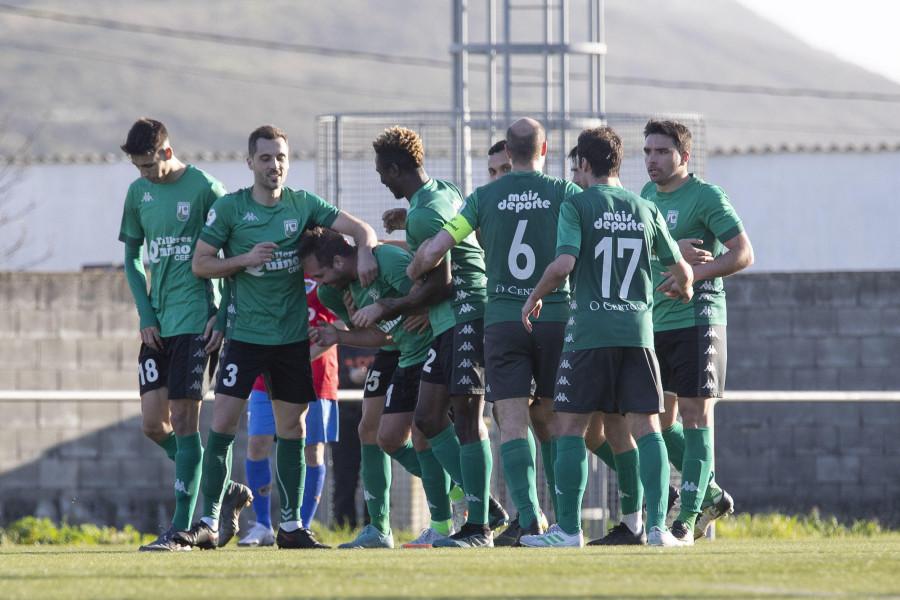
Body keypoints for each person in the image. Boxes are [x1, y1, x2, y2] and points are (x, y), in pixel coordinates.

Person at [173, 125, 378, 550]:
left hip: (289, 342)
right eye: (266, 158)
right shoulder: (231, 209)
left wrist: (367, 252)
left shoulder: (303, 205)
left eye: (281, 157)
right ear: (251, 162)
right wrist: (245, 259)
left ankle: (290, 527)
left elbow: (361, 230)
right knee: (225, 421)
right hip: (245, 337)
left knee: (294, 428)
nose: (275, 165)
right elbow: (200, 264)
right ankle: (209, 521)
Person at [519, 126, 694, 548]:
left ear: (583, 163)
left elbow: (563, 264)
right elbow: (682, 270)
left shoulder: (576, 205)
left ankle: (568, 530)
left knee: (570, 427)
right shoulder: (644, 207)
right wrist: (683, 288)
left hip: (589, 334)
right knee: (648, 428)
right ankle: (657, 530)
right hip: (638, 334)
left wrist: (533, 297)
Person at [408, 118, 581, 546]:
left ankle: (527, 519)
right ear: (544, 150)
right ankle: (564, 522)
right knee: (558, 421)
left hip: (503, 318)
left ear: (512, 152)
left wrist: (414, 268)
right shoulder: (564, 192)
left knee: (511, 421)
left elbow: (438, 247)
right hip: (554, 315)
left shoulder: (484, 197)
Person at [118, 118, 252, 552]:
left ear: (167, 152)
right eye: (137, 167)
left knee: (184, 421)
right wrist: (145, 313)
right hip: (159, 323)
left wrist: (224, 316)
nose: (143, 175)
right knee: (154, 426)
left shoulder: (205, 188)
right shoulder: (138, 193)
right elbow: (131, 256)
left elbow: (233, 257)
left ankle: (180, 530)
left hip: (198, 321)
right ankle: (223, 488)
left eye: (148, 166)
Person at [298, 226, 448, 549]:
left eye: (320, 275)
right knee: (371, 431)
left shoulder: (383, 262)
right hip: (395, 348)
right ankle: (379, 529)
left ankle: (459, 497)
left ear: (338, 261)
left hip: (422, 348)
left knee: (418, 433)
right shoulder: (331, 293)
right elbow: (380, 335)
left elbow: (430, 290)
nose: (318, 284)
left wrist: (423, 309)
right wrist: (340, 335)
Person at [641, 119, 753, 544]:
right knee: (660, 420)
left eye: (662, 152)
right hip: (657, 321)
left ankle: (685, 521)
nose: (652, 159)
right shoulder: (647, 197)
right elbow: (643, 255)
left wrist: (693, 271)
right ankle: (709, 493)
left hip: (699, 319)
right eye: (648, 151)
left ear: (683, 157)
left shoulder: (706, 197)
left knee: (695, 416)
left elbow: (743, 252)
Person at [237, 273, 340, 547]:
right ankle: (262, 525)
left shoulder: (326, 267)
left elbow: (345, 320)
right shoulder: (272, 264)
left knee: (312, 449)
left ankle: (299, 527)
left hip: (317, 377)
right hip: (267, 373)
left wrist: (301, 358)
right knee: (257, 444)